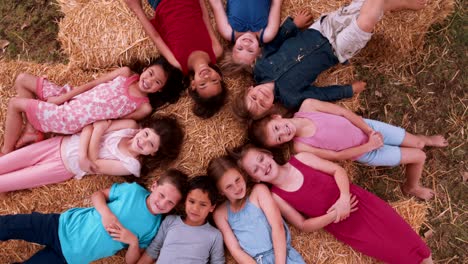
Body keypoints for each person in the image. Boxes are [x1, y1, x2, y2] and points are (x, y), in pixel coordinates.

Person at [233, 145, 434, 264]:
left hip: (360, 202)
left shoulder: (301, 159)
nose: (263, 166)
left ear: (268, 154)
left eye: (261, 159)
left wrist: (344, 198)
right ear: (255, 180)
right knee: (391, 251)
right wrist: (334, 214)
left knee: (401, 232)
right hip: (345, 226)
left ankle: (427, 257)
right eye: (255, 170)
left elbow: (338, 171)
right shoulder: (276, 196)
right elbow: (303, 225)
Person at [233, 0, 428, 120]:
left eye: (253, 97)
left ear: (249, 89)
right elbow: (320, 94)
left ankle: (401, 3)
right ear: (269, 109)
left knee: (360, 6)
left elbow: (276, 43)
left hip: (319, 30)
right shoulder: (291, 98)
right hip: (337, 50)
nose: (261, 98)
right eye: (261, 105)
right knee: (366, 21)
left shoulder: (261, 67)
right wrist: (347, 90)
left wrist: (293, 25)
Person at [248, 98, 448, 200]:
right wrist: (369, 145)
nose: (284, 132)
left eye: (277, 128)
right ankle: (410, 187)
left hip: (368, 127)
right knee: (419, 156)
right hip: (366, 151)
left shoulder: (308, 106)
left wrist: (370, 131)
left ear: (276, 117)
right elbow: (337, 155)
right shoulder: (301, 147)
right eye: (279, 138)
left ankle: (422, 139)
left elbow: (343, 112)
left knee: (420, 144)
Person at [0, 56, 184, 155]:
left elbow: (110, 123)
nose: (149, 81)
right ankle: (32, 129)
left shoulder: (144, 107)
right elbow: (93, 84)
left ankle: (6, 153)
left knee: (15, 104)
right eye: (150, 73)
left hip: (72, 117)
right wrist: (62, 98)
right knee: (23, 79)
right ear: (145, 68)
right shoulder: (126, 73)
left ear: (160, 90)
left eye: (157, 82)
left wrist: (80, 134)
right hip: (70, 97)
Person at [0, 169, 189, 264]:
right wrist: (106, 213)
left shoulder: (155, 227)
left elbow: (132, 262)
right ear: (154, 186)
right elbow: (97, 195)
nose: (163, 203)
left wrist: (133, 243)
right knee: (9, 225)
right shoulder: (133, 191)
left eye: (170, 203)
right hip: (60, 225)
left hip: (70, 257)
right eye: (162, 195)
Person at [0, 115, 184, 195]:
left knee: (4, 183)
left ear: (153, 153)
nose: (142, 141)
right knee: (3, 164)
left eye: (150, 144)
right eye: (146, 134)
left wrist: (97, 132)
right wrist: (84, 155)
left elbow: (95, 163)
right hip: (58, 144)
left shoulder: (131, 165)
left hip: (61, 167)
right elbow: (90, 127)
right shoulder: (130, 126)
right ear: (144, 129)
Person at [125, 0, 228, 118]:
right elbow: (205, 18)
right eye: (214, 81)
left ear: (193, 85)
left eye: (203, 84)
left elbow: (156, 37)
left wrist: (137, 9)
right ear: (219, 77)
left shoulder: (178, 63)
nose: (207, 77)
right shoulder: (216, 50)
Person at [207, 155, 305, 263]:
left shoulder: (259, 192)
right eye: (229, 186)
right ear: (221, 191)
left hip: (282, 257)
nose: (237, 187)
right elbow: (235, 250)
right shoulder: (220, 214)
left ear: (242, 174)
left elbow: (277, 227)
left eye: (237, 180)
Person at [137, 175, 225, 264]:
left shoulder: (215, 235)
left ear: (212, 207)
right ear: (185, 201)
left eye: (203, 205)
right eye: (191, 201)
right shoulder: (170, 221)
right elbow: (152, 251)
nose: (195, 209)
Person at [208, 0, 282, 71]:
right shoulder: (267, 34)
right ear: (259, 53)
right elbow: (276, 3)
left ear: (233, 48)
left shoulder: (228, 32)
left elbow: (216, 3)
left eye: (239, 48)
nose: (246, 44)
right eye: (250, 50)